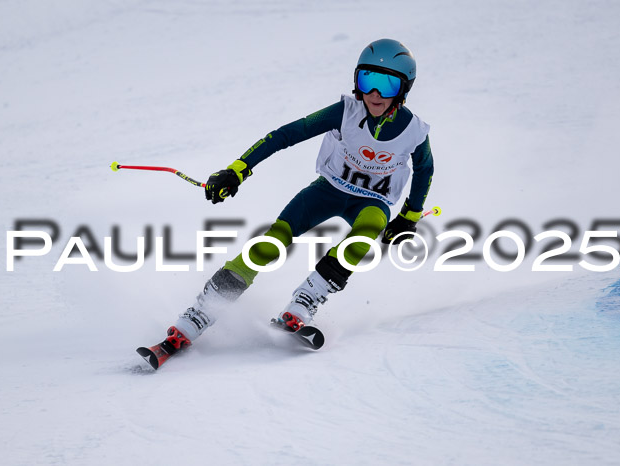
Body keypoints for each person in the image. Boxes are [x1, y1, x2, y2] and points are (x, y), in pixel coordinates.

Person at [148, 38, 435, 363]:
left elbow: (425, 169)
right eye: (367, 80)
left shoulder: (414, 131)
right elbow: (287, 134)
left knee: (365, 232)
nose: (375, 94)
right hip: (329, 189)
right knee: (272, 242)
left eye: (388, 84)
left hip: (372, 200)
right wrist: (238, 169)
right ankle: (201, 312)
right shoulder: (345, 111)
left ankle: (304, 302)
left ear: (404, 89)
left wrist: (409, 216)